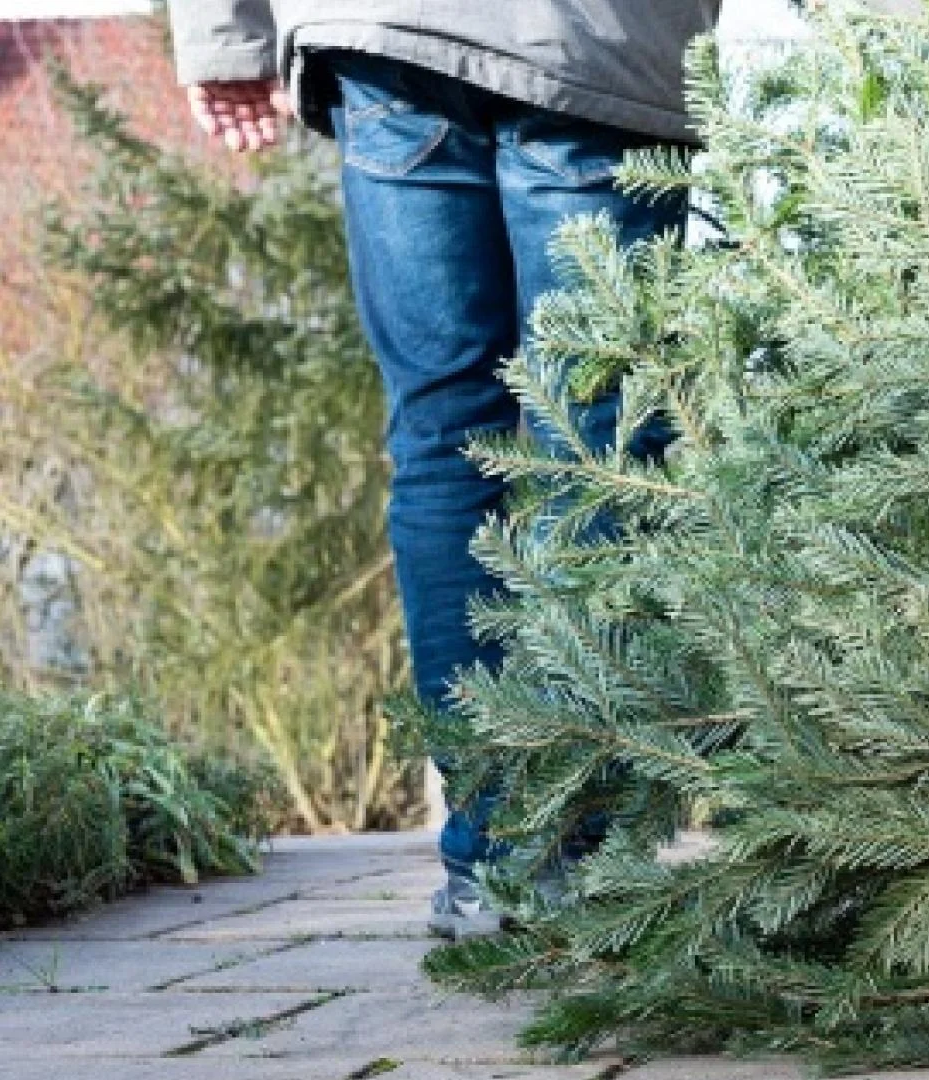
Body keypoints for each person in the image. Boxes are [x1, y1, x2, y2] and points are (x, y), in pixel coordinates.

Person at [169, 1, 722, 939]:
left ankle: (492, 860)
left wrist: (223, 37)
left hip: (390, 37)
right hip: (595, 43)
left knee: (441, 441)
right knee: (598, 444)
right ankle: (562, 856)